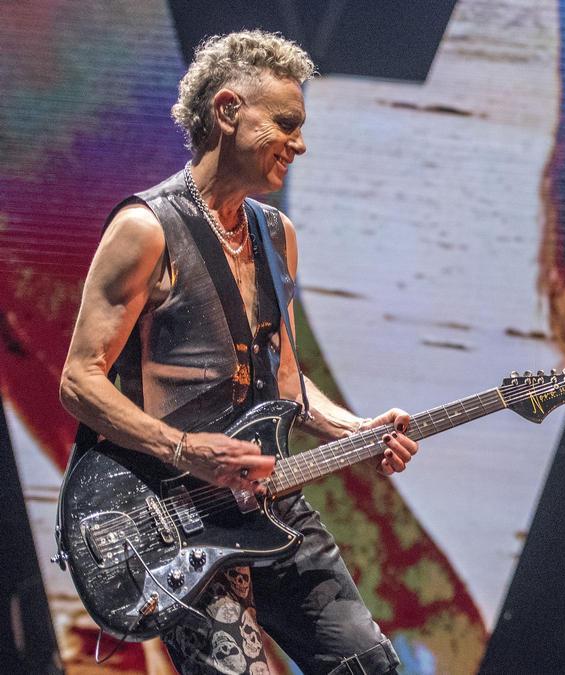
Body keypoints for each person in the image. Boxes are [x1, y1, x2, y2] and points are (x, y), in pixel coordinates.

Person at [59, 31, 416, 675]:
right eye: (286, 123)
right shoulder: (145, 229)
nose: (300, 143)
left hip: (268, 495)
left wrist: (357, 430)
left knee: (370, 666)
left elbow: (283, 382)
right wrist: (182, 448)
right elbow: (80, 380)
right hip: (168, 519)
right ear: (228, 111)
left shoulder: (278, 236)